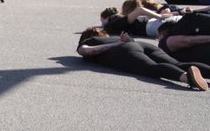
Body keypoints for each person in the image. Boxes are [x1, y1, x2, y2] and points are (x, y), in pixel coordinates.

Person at [77, 28, 208, 90]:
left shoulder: (91, 40)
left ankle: (187, 77)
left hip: (124, 50)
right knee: (179, 63)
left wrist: (118, 44)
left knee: (150, 68)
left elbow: (88, 51)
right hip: (142, 44)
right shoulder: (113, 36)